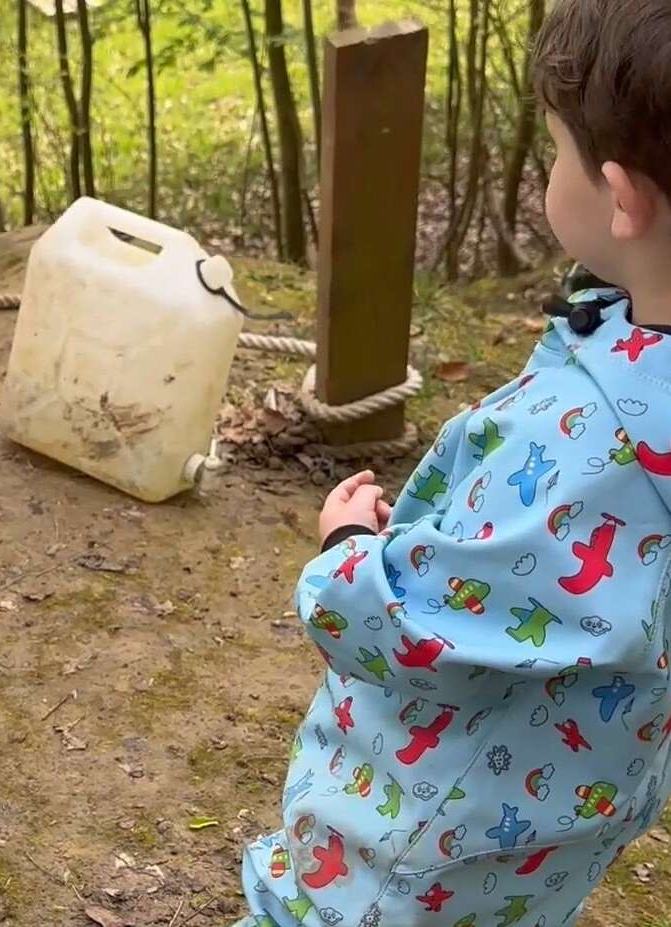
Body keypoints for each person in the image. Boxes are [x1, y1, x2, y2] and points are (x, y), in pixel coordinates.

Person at [235, 0, 671, 923]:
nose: (552, 169)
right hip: (565, 822)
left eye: (556, 150)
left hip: (426, 845)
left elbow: (415, 626)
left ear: (623, 197)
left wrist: (346, 558)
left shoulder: (588, 452)